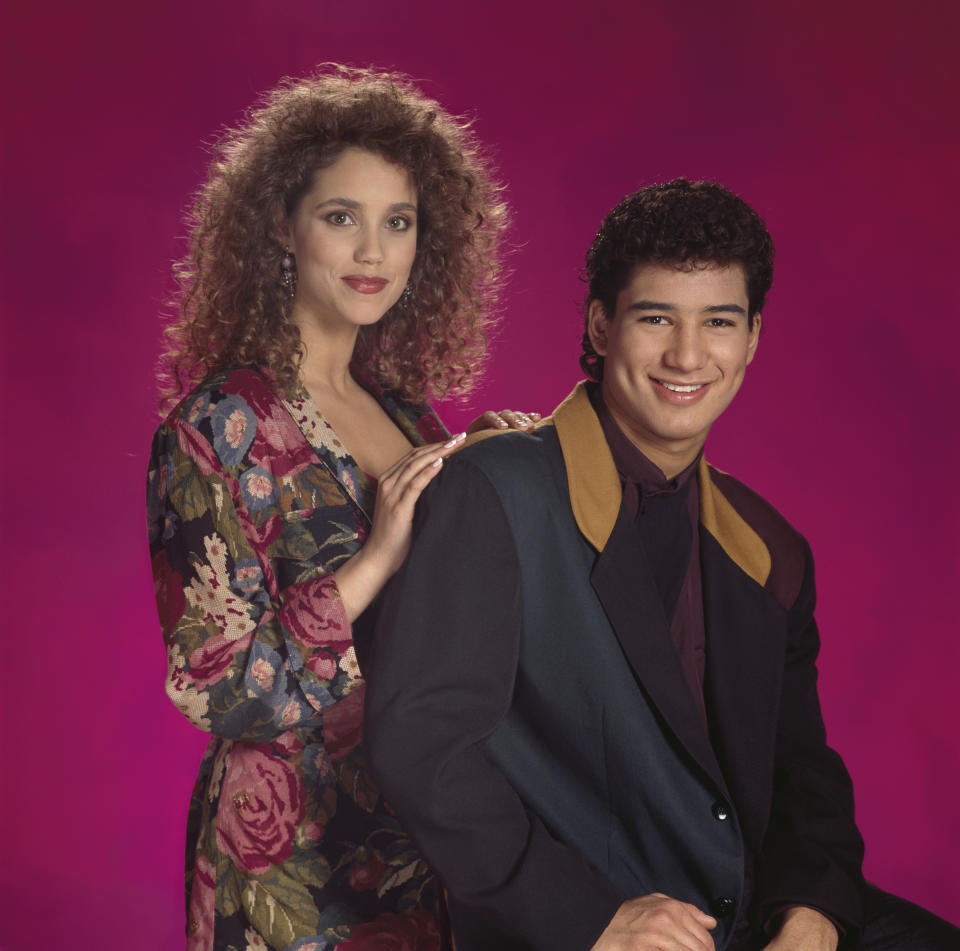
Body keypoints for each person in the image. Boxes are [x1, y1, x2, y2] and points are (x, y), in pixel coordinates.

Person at [365, 180, 960, 950]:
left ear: (751, 339)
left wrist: (812, 911)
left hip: (754, 918)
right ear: (601, 325)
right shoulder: (495, 489)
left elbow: (801, 771)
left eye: (718, 321)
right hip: (586, 926)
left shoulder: (772, 548)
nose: (687, 355)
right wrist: (596, 916)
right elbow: (423, 744)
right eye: (656, 318)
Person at [146, 65, 535, 950]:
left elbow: (446, 624)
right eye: (340, 217)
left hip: (417, 840)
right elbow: (211, 690)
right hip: (286, 861)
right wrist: (375, 560)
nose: (373, 251)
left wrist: (494, 467)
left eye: (397, 222)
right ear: (282, 225)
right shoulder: (218, 424)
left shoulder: (404, 413)